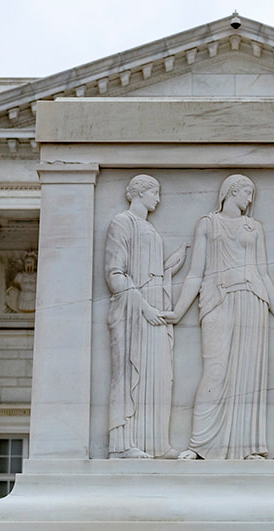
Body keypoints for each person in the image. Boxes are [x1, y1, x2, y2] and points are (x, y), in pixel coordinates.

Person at [166, 174, 274, 460]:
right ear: (232, 191)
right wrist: (177, 310)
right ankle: (199, 444)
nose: (250, 199)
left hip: (252, 300)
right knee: (215, 370)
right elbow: (195, 272)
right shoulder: (208, 224)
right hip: (217, 299)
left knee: (248, 376)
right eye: (247, 192)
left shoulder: (254, 227)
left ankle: (248, 447)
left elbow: (263, 273)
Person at [105, 175, 184, 459]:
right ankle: (122, 445)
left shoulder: (148, 227)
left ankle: (155, 444)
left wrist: (169, 271)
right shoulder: (122, 222)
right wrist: (144, 307)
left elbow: (151, 274)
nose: (159, 199)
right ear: (139, 193)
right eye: (155, 192)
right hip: (131, 311)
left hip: (152, 308)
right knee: (128, 375)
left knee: (160, 375)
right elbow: (115, 274)